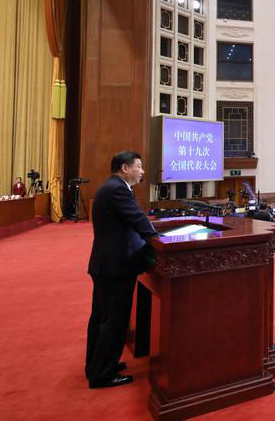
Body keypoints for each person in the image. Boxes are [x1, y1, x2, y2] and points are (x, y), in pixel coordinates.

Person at [85, 151, 157, 389]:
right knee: (113, 320)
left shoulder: (113, 187)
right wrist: (157, 240)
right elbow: (137, 218)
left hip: (107, 264)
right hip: (115, 266)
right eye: (139, 166)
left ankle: (96, 366)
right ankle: (102, 374)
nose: (143, 171)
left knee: (102, 317)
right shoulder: (117, 189)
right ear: (125, 168)